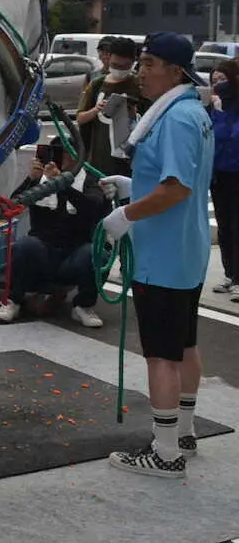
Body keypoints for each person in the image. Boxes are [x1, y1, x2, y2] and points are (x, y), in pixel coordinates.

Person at [99, 31, 214, 477]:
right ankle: (183, 431)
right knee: (184, 343)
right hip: (185, 248)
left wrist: (125, 214)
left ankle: (165, 453)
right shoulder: (192, 111)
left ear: (175, 69)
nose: (140, 72)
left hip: (162, 252)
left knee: (161, 354)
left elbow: (176, 188)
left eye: (148, 64)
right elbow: (177, 179)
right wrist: (134, 186)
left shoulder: (176, 119)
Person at [0, 135, 109, 327]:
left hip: (74, 254)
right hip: (42, 252)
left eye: (65, 154)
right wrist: (32, 180)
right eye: (54, 153)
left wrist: (62, 185)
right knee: (24, 246)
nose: (59, 159)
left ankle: (83, 305)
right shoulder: (40, 180)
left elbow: (95, 209)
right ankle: (13, 300)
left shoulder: (89, 179)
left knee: (96, 254)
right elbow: (12, 206)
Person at [74, 37, 147, 177]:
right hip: (98, 163)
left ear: (133, 63)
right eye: (115, 65)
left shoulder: (140, 85)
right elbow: (80, 118)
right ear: (109, 58)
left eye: (124, 67)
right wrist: (96, 110)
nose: (118, 70)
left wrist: (133, 114)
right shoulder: (96, 84)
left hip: (129, 164)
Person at [208, 59, 239, 296]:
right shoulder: (214, 106)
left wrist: (221, 116)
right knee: (225, 227)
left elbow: (231, 137)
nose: (218, 85)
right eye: (214, 80)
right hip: (219, 175)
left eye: (223, 79)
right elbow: (210, 141)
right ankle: (230, 274)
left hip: (236, 172)